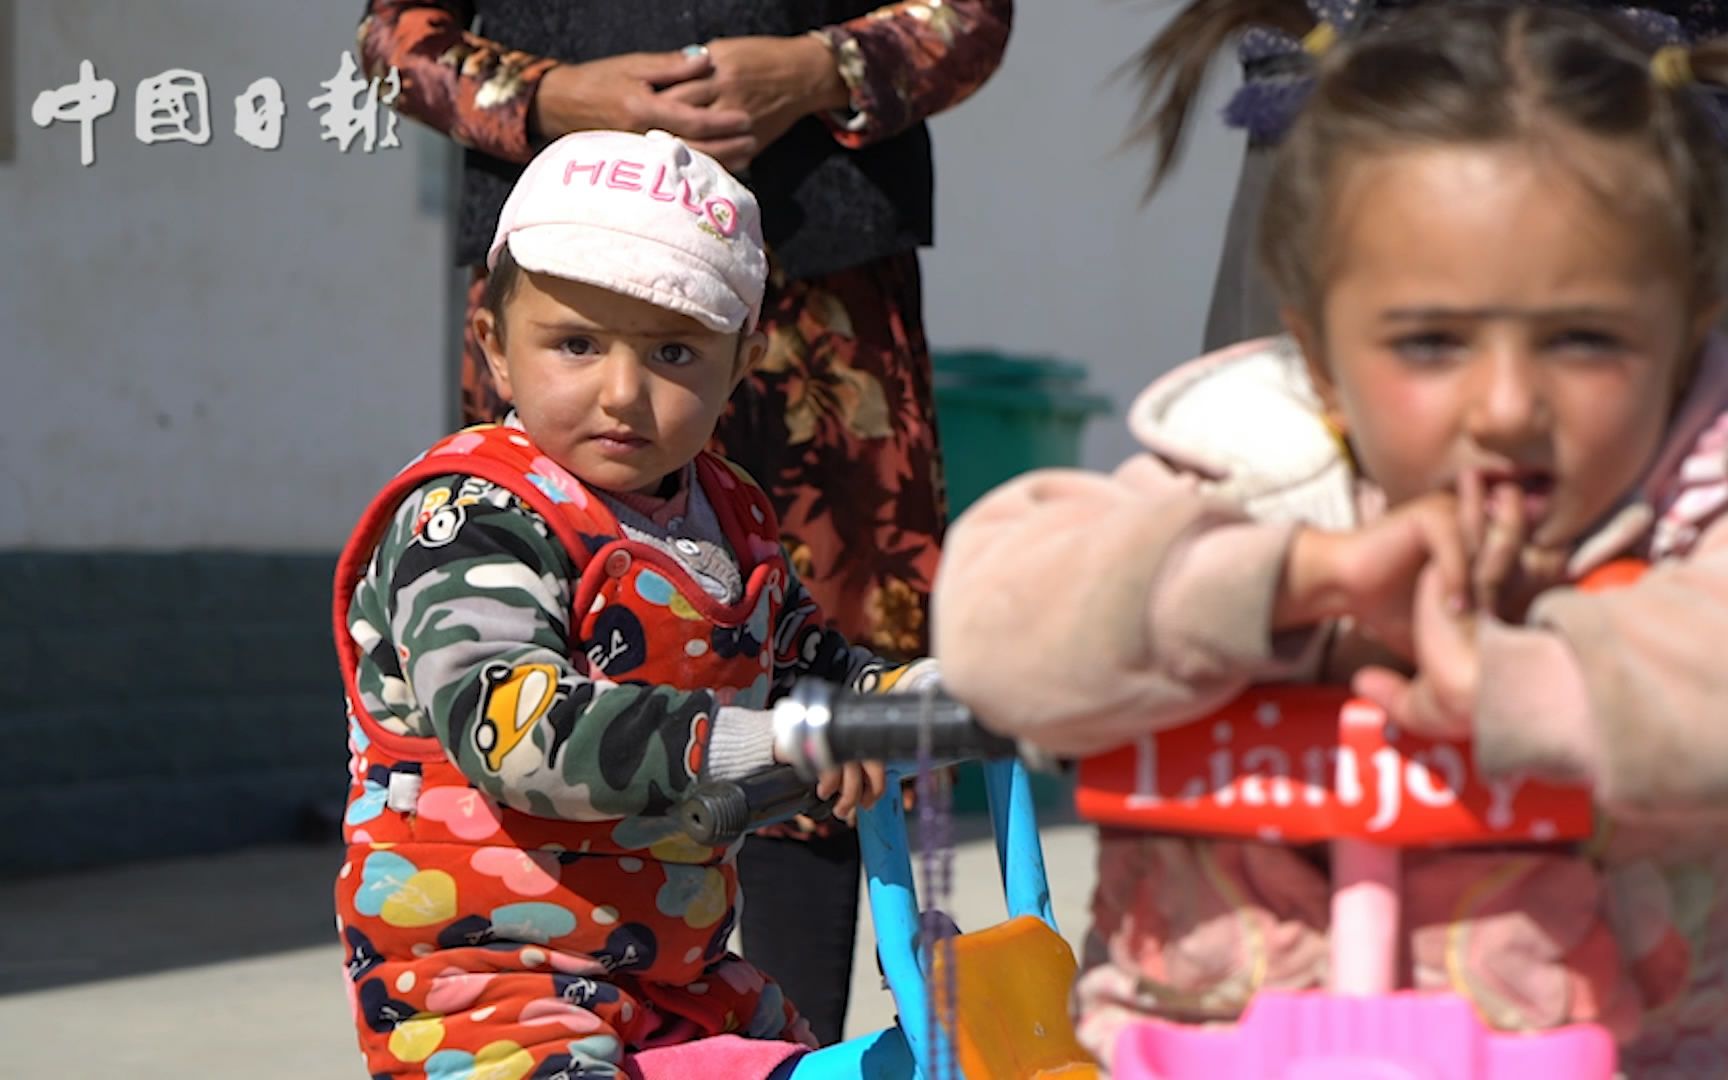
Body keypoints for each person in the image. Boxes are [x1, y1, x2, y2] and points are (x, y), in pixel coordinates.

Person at [933, 2, 1728, 1073]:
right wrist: (1288, 584)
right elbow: (997, 627)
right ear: (1314, 351)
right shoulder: (1249, 472)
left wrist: (1517, 680)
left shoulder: (1693, 511)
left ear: (1687, 336)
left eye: (1584, 339)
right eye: (1432, 342)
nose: (1504, 406)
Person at [355, 2, 1012, 1043]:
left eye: (673, 356)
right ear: (491, 339)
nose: (623, 394)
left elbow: (806, 660)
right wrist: (765, 739)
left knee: (815, 1055)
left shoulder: (729, 513)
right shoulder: (474, 515)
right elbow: (513, 728)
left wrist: (913, 697)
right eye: (575, 345)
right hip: (492, 982)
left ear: (742, 364)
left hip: (677, 974)